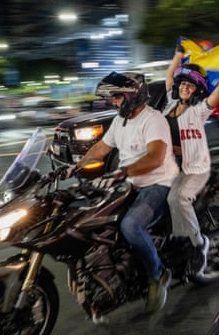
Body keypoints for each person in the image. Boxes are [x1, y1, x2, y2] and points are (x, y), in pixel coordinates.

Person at [70, 71, 179, 313]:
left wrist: (122, 172)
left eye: (117, 97)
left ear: (133, 94)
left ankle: (157, 275)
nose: (113, 102)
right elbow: (101, 147)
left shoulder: (154, 120)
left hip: (157, 183)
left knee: (131, 226)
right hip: (129, 183)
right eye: (112, 98)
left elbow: (155, 157)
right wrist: (76, 165)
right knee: (94, 218)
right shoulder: (121, 120)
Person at [163, 45, 219, 276]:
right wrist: (178, 54)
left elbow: (218, 95)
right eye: (183, 84)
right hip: (168, 167)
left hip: (193, 168)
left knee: (177, 198)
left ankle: (199, 244)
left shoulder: (198, 110)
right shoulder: (170, 104)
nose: (185, 88)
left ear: (196, 91)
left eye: (190, 86)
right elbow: (170, 75)